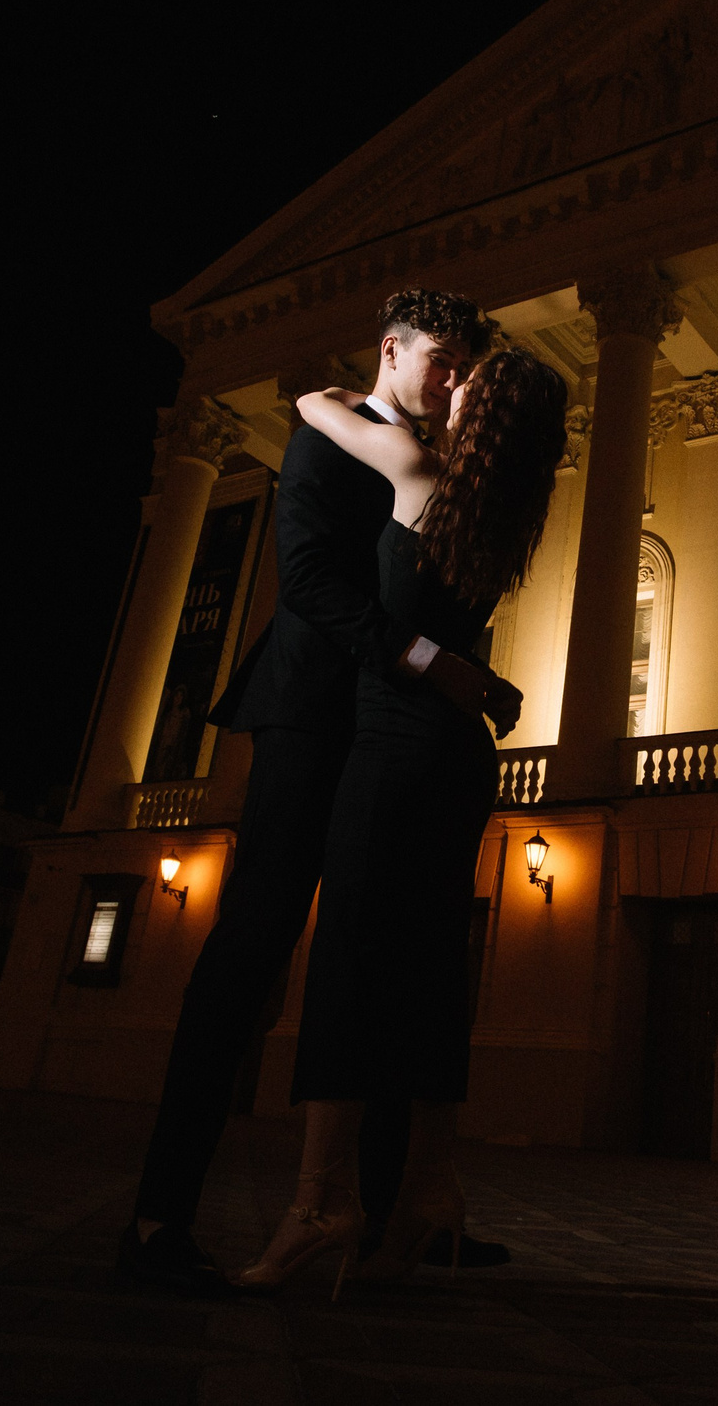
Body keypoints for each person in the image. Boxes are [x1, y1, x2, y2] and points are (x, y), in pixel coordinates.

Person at [117, 289, 519, 1295]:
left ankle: (393, 1214)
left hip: (392, 724)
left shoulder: (411, 445)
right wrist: (437, 662)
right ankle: (158, 1215)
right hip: (310, 715)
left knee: (381, 953)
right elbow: (307, 582)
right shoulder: (332, 433)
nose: (452, 381)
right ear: (393, 349)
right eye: (442, 362)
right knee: (250, 951)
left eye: (466, 369)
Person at [231, 345, 570, 1294]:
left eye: (469, 378)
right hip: (456, 760)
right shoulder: (505, 510)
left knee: (344, 961)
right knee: (426, 973)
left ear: (484, 406)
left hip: (395, 748)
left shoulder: (416, 471)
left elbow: (314, 398)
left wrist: (396, 400)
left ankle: (320, 1202)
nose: (450, 381)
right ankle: (431, 1189)